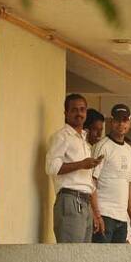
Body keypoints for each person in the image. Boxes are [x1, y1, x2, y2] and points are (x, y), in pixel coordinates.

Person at [45, 94, 103, 242]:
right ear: (66, 113)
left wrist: (96, 213)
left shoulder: (83, 139)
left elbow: (88, 181)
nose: (79, 113)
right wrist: (81, 164)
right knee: (70, 256)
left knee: (82, 258)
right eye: (74, 110)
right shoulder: (61, 136)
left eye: (82, 109)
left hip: (85, 201)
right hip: (70, 199)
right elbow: (51, 167)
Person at [91, 104, 131, 243]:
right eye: (118, 120)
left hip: (122, 218)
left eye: (125, 120)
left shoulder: (129, 151)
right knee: (100, 260)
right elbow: (91, 181)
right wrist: (96, 214)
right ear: (111, 122)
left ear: (129, 123)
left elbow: (128, 184)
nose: (121, 124)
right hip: (104, 215)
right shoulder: (102, 146)